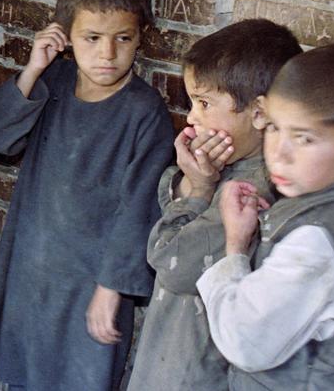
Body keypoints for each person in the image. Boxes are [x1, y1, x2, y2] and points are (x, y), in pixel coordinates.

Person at [0, 0, 175, 391]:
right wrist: (32, 69)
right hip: (33, 270)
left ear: (140, 37)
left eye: (123, 38)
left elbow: (140, 207)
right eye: (92, 38)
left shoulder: (144, 113)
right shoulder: (54, 84)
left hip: (93, 284)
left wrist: (111, 288)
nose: (107, 53)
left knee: (82, 376)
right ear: (65, 36)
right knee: (22, 375)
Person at [127, 20, 301, 390]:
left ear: (259, 113)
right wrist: (193, 181)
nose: (192, 117)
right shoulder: (231, 166)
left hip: (194, 372)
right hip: (174, 356)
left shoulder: (248, 192)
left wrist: (199, 191)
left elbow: (168, 261)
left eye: (204, 103)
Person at [198, 44, 334, 389]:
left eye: (305, 138)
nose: (279, 154)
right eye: (273, 128)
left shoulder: (317, 241)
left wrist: (236, 246)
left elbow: (244, 340)